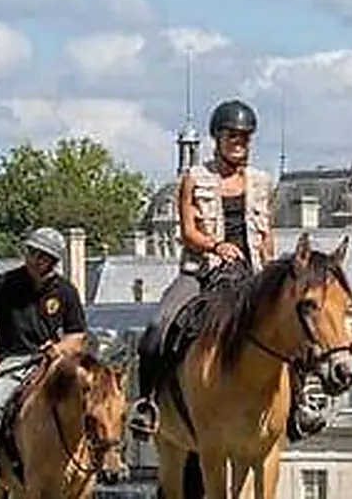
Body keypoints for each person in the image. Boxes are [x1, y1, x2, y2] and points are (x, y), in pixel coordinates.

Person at [128, 98, 326, 441]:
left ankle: (298, 406)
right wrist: (216, 246)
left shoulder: (262, 182)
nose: (240, 143)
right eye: (233, 136)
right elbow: (188, 231)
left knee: (293, 329)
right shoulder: (194, 179)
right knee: (157, 329)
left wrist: (271, 270)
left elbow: (266, 235)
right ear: (217, 139)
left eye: (245, 137)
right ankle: (147, 405)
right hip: (202, 273)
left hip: (250, 276)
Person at [0, 227, 88, 487]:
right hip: (15, 360)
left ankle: (101, 456)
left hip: (52, 361)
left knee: (88, 397)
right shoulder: (7, 283)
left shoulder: (66, 291)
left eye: (40, 255)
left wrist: (60, 349)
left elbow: (77, 335)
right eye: (31, 252)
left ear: (52, 261)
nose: (32, 259)